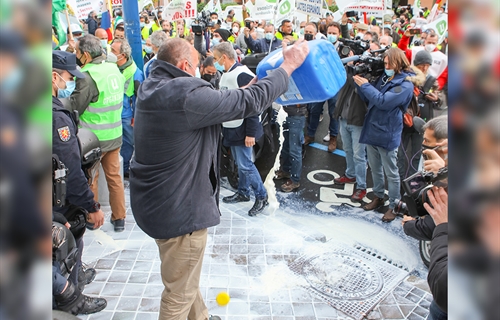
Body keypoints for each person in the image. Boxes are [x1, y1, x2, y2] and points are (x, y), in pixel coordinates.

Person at [130, 37, 309, 320]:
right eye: (198, 65)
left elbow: (233, 100)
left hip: (156, 203)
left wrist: (245, 91)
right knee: (178, 293)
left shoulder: (154, 85)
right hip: (179, 213)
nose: (202, 70)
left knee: (183, 277)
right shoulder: (186, 95)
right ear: (184, 65)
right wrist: (288, 65)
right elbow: (248, 101)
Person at [51, 50, 107, 315]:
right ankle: (73, 302)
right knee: (69, 251)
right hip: (57, 202)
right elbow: (70, 172)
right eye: (66, 77)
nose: (69, 83)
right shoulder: (55, 117)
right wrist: (92, 206)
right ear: (53, 77)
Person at [68, 34, 127, 232]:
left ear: (85, 54)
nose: (76, 55)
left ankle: (91, 219)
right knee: (115, 178)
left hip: (92, 140)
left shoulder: (88, 75)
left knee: (90, 179)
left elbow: (76, 105)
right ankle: (119, 218)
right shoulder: (113, 68)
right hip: (114, 133)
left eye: (77, 52)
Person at [354, 48, 415, 222]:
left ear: (398, 62)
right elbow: (368, 98)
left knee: (391, 172)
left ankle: (394, 205)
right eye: (384, 63)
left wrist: (364, 85)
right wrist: (361, 84)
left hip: (387, 133)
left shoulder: (405, 84)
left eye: (389, 63)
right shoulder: (385, 76)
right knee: (375, 168)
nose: (385, 66)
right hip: (373, 129)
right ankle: (378, 196)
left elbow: (382, 101)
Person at [213, 43, 269, 216]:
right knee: (240, 163)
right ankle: (244, 192)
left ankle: (262, 196)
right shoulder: (226, 73)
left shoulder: (243, 74)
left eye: (215, 58)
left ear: (224, 57)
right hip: (232, 126)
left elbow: (254, 105)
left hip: (243, 129)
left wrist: (251, 133)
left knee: (245, 165)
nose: (214, 62)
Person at [111, 39, 144, 178]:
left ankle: (124, 169)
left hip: (127, 115)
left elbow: (140, 98)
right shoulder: (112, 68)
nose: (110, 53)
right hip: (115, 113)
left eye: (113, 51)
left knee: (127, 144)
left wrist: (135, 117)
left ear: (123, 55)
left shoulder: (135, 74)